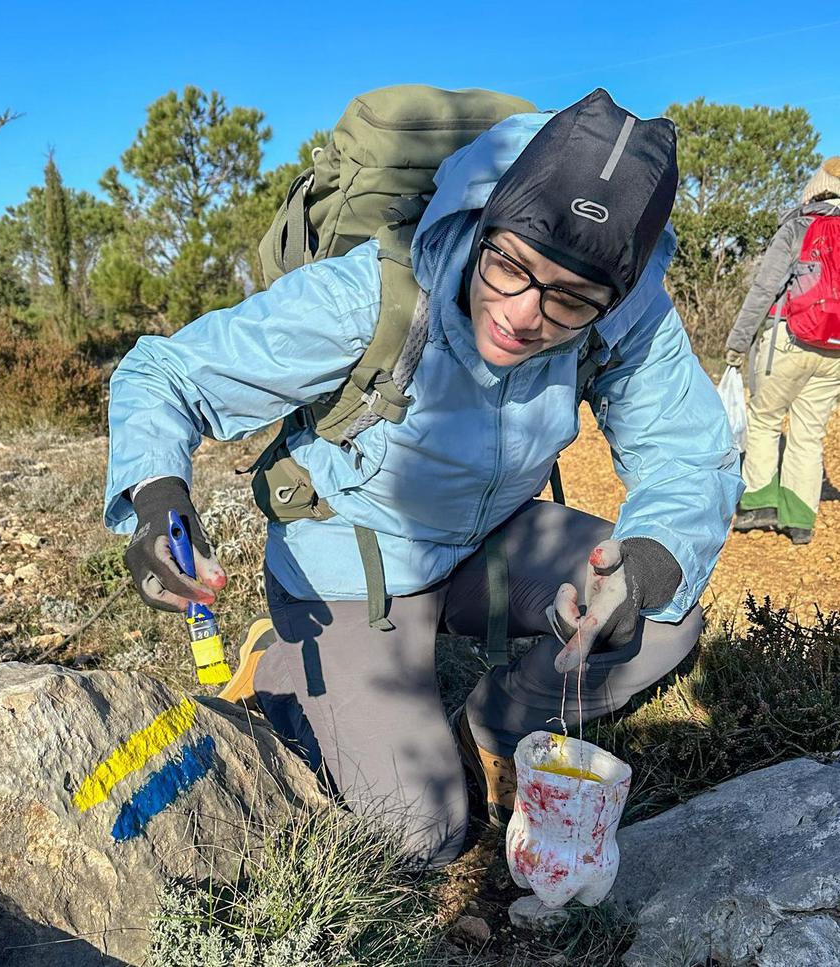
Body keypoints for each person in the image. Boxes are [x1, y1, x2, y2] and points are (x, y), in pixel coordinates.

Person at [104, 89, 741, 867]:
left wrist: (642, 564)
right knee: (420, 835)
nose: (521, 315)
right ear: (484, 221)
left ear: (612, 292)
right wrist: (156, 498)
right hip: (354, 562)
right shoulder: (373, 295)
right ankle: (276, 666)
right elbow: (165, 375)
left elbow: (687, 449)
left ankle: (497, 726)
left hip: (489, 539)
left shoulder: (626, 309)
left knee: (661, 610)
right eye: (508, 265)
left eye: (569, 301)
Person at [725, 157, 840, 545]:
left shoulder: (799, 224)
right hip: (835, 352)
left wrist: (737, 343)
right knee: (809, 432)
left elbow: (764, 288)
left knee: (766, 419)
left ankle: (759, 503)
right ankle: (800, 520)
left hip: (789, 339)